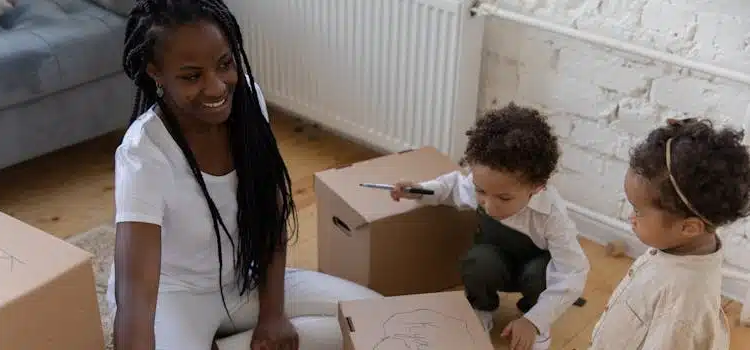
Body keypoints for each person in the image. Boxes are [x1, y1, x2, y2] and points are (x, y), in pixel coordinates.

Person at [107, 1, 381, 349]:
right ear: (155, 72)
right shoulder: (142, 155)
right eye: (192, 76)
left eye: (225, 64)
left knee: (379, 318)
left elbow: (270, 212)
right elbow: (136, 300)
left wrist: (273, 314)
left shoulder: (247, 100)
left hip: (241, 284)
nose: (218, 87)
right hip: (173, 298)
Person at [390, 103, 590, 350]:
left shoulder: (552, 215)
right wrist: (417, 190)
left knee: (541, 274)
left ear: (537, 188)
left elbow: (572, 272)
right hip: (497, 263)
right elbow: (451, 187)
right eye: (480, 191)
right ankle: (481, 308)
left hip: (534, 272)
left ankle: (533, 319)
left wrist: (535, 320)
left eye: (504, 198)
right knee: (477, 261)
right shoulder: (483, 185)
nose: (489, 204)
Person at [589, 118, 750, 349]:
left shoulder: (683, 305)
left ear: (689, 227)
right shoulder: (680, 246)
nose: (630, 217)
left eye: (638, 210)